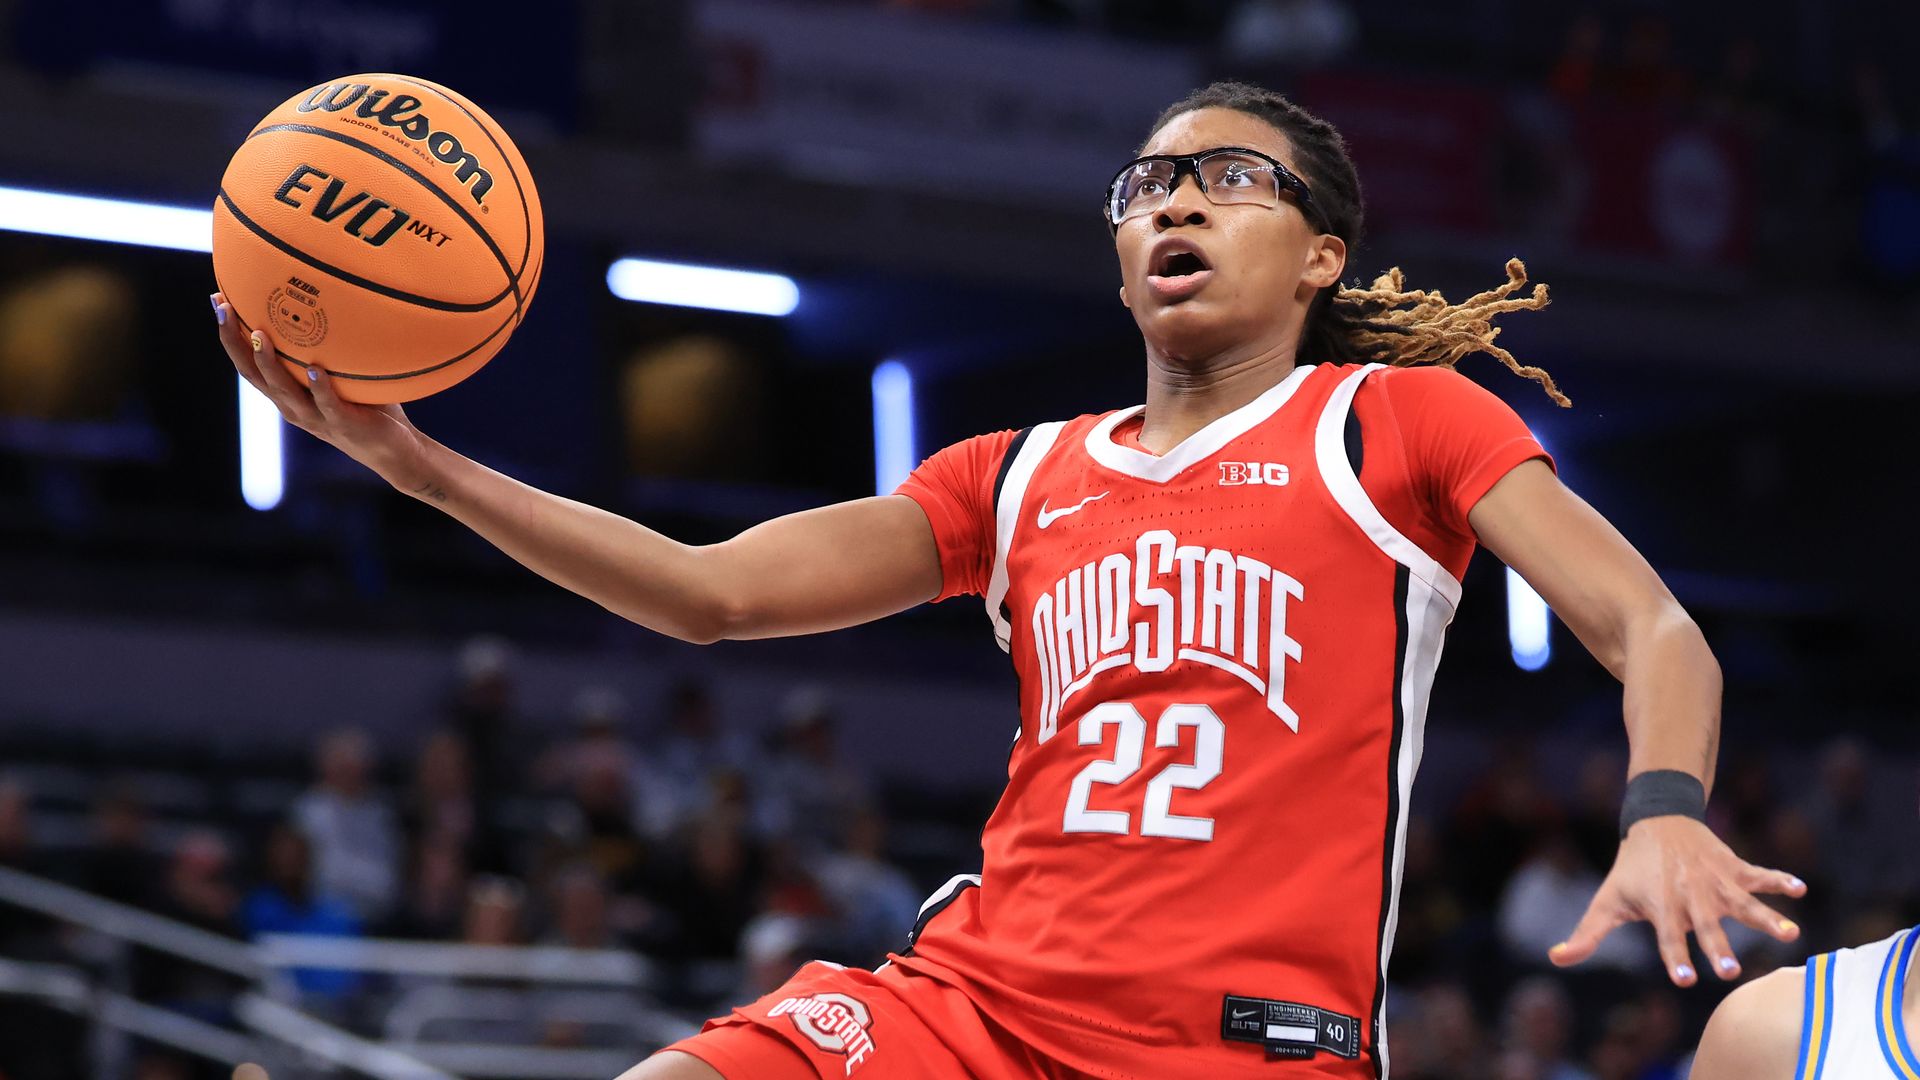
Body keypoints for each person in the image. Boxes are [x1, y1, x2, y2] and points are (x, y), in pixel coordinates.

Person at [216, 80, 1803, 1079]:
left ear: (1321, 256)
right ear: (1119, 259)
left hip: (1237, 1048)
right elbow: (708, 592)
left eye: (1231, 178)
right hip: (975, 1006)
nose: (1175, 198)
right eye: (1147, 188)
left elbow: (1649, 624)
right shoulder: (1016, 473)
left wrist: (1663, 806)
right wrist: (416, 466)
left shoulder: (1393, 423)